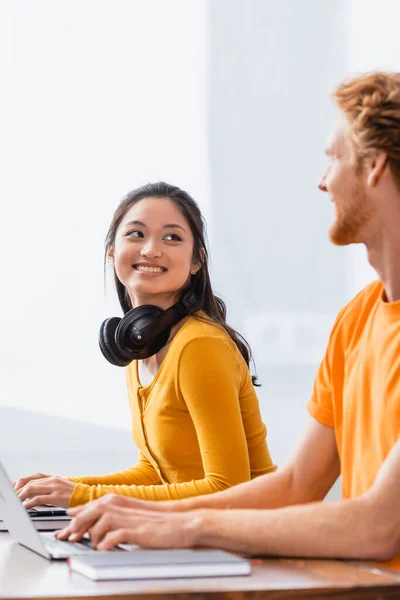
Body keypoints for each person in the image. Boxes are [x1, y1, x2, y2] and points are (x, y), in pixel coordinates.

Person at [55, 72, 400, 570]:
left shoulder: (199, 344)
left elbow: (378, 526)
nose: (322, 180)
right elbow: (298, 484)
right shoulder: (357, 318)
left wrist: (185, 524)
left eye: (333, 157)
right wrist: (130, 513)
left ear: (375, 167)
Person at [14, 182, 275, 508]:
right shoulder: (139, 346)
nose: (151, 249)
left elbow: (227, 489)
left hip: (250, 540)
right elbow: (156, 472)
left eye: (172, 237)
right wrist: (61, 488)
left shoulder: (200, 346)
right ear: (112, 252)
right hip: (193, 534)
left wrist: (81, 496)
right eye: (136, 234)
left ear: (197, 261)